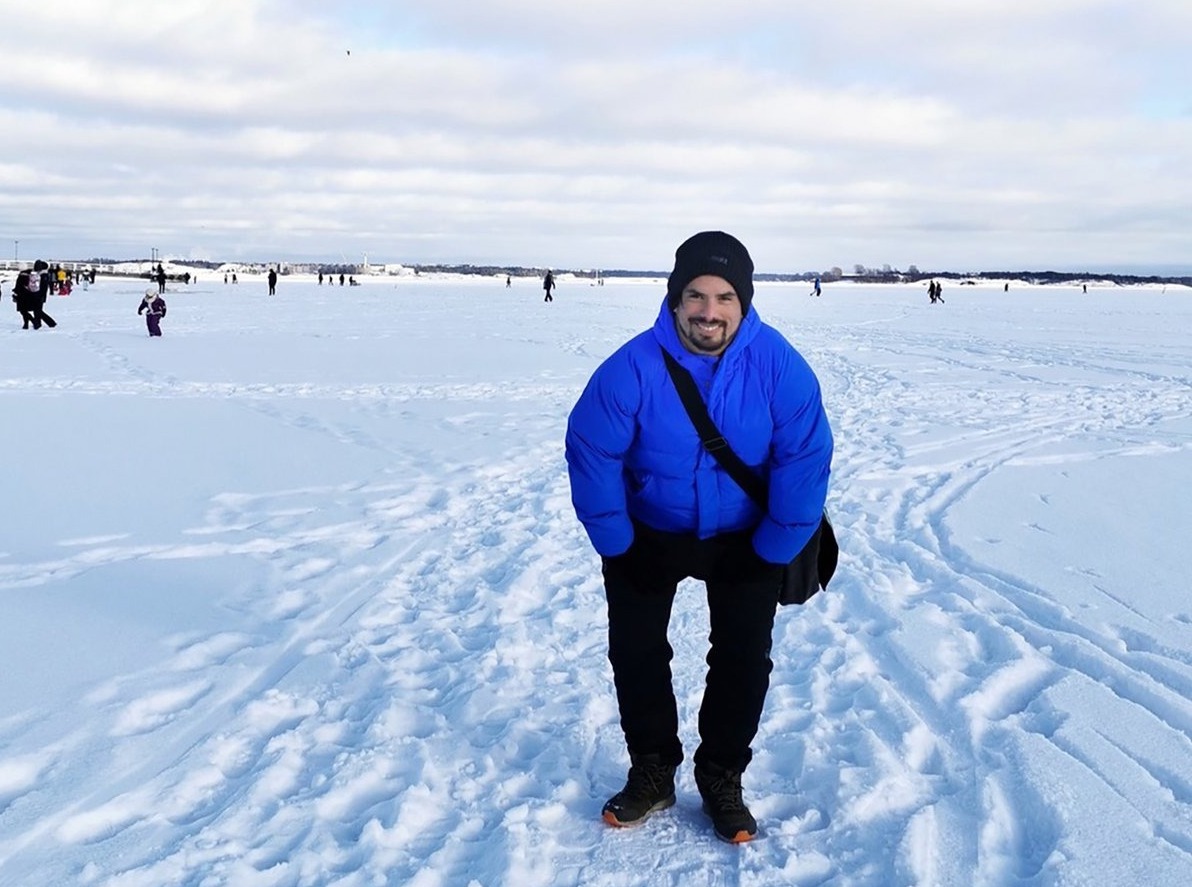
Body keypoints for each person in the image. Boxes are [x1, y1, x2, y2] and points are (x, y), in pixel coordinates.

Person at [565, 231, 833, 843]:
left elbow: (806, 457)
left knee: (741, 660)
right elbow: (592, 448)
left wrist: (772, 548)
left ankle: (720, 777)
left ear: (743, 303)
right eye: (695, 295)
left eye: (723, 297)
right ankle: (654, 771)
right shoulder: (631, 366)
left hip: (745, 537)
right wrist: (616, 541)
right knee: (636, 652)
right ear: (674, 297)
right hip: (649, 531)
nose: (708, 311)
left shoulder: (779, 367)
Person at [13, 260, 56, 329]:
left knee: (37, 311)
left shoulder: (43, 276)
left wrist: (39, 295)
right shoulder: (40, 275)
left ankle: (49, 323)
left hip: (38, 296)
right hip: (37, 295)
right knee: (37, 311)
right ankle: (38, 323)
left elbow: (42, 288)